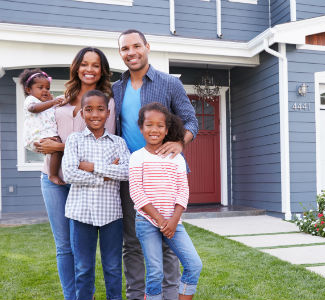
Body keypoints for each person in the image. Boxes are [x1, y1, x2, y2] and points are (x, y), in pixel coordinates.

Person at [112, 29, 198, 300]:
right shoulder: (116, 88)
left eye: (136, 46)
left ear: (147, 47)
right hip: (131, 174)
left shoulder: (169, 83)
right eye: (125, 48)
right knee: (132, 242)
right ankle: (139, 296)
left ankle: (170, 295)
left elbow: (191, 120)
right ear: (121, 54)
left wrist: (180, 143)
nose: (131, 52)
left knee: (168, 240)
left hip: (163, 174)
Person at [35, 47, 116, 300]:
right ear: (76, 67)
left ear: (102, 70)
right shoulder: (62, 97)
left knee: (81, 249)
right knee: (63, 247)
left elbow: (102, 145)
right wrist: (42, 142)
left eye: (95, 65)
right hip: (51, 178)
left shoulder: (105, 102)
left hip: (82, 181)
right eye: (84, 64)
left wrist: (57, 146)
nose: (89, 69)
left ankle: (84, 293)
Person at [129, 103, 202, 300]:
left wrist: (173, 220)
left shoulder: (176, 158)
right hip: (147, 221)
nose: (154, 130)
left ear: (167, 129)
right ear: (141, 127)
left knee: (194, 264)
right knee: (155, 272)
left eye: (160, 126)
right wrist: (161, 221)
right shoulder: (137, 157)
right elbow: (136, 192)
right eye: (149, 125)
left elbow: (183, 191)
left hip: (174, 222)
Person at [62, 90, 130, 300]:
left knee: (112, 267)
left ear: (108, 113)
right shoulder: (74, 140)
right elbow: (69, 173)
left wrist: (90, 166)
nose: (95, 114)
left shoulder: (117, 142)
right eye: (89, 109)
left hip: (111, 214)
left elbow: (127, 171)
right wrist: (107, 173)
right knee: (83, 268)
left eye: (100, 109)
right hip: (81, 213)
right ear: (82, 113)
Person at [20, 68, 65, 185]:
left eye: (47, 88)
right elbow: (33, 108)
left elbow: (54, 109)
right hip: (36, 136)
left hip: (46, 135)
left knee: (57, 148)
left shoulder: (47, 103)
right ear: (29, 89)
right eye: (40, 88)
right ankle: (53, 175)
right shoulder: (31, 100)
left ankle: (53, 173)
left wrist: (53, 102)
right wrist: (52, 102)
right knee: (57, 148)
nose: (45, 90)